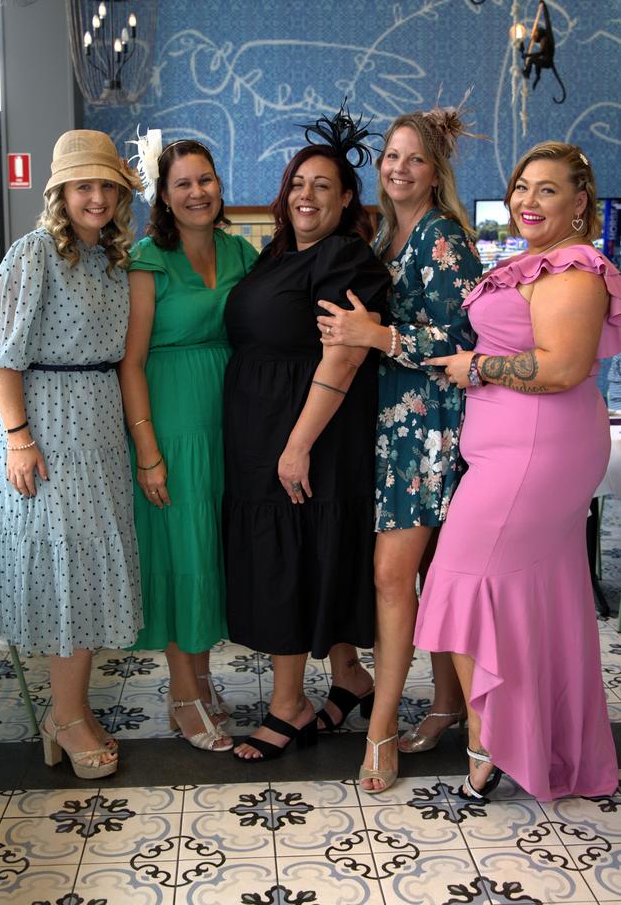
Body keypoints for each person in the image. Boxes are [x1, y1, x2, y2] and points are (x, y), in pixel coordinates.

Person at [416, 141, 620, 802]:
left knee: (457, 578)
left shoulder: (575, 271)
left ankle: (489, 737)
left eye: (548, 190)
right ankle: (556, 746)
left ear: (579, 203)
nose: (528, 201)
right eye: (522, 188)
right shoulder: (525, 265)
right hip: (511, 449)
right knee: (547, 601)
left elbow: (560, 367)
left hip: (541, 451)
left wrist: (474, 368)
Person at [317, 102, 483, 792]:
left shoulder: (443, 239)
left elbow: (471, 345)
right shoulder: (385, 233)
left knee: (395, 577)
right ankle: (446, 704)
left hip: (435, 430)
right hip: (391, 427)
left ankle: (380, 727)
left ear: (435, 169)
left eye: (415, 158)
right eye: (392, 156)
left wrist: (380, 338)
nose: (399, 167)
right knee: (431, 578)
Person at [0, 130, 144, 779]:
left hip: (97, 427)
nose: (95, 197)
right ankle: (66, 716)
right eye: (83, 186)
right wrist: (18, 438)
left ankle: (67, 710)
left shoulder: (110, 258)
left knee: (91, 571)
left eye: (105, 186)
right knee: (64, 573)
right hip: (45, 428)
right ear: (60, 194)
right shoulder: (33, 254)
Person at [223, 108, 390, 760]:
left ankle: (288, 705)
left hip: (309, 434)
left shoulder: (345, 256)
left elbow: (344, 355)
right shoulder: (277, 255)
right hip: (265, 431)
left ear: (347, 198)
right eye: (299, 182)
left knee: (290, 559)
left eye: (324, 185)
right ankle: (348, 677)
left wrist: (296, 444)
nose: (307, 195)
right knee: (295, 552)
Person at [120, 135, 257, 752]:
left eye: (206, 180)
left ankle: (201, 679)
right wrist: (148, 452)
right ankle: (182, 695)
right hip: (171, 418)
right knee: (184, 553)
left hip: (228, 417)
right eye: (183, 184)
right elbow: (131, 362)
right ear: (164, 196)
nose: (198, 192)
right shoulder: (149, 259)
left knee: (213, 550)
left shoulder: (241, 252)